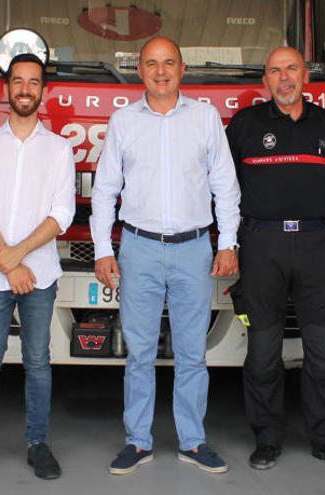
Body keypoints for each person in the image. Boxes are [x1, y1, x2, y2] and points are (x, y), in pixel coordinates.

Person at [91, 36, 241, 475]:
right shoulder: (123, 121)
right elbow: (105, 191)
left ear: (182, 68)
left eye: (169, 63)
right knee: (139, 353)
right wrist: (103, 250)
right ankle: (138, 442)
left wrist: (228, 241)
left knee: (192, 353)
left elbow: (225, 186)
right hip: (137, 248)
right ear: (139, 70)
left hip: (194, 249)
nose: (160, 71)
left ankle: (193, 442)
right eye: (152, 63)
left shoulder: (205, 118)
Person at [225, 47, 325, 472]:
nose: (284, 78)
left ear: (306, 76)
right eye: (275, 71)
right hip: (261, 245)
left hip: (316, 243)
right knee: (263, 350)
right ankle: (267, 438)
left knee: (324, 349)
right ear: (265, 80)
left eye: (292, 70)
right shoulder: (245, 126)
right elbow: (225, 188)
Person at [0, 53, 75, 483]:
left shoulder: (59, 149)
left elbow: (62, 212)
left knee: (38, 361)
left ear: (43, 90)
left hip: (38, 273)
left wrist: (16, 254)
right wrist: (7, 262)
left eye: (33, 82)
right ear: (7, 89)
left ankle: (38, 444)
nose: (25, 89)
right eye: (17, 81)